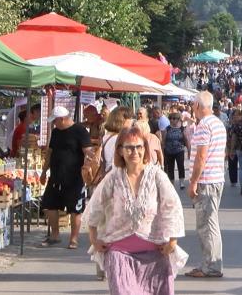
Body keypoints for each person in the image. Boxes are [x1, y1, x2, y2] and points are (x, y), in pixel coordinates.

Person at [86, 126, 186, 294]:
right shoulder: (113, 177)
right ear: (120, 151)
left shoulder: (156, 175)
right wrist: (94, 239)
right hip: (119, 253)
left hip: (155, 254)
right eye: (129, 147)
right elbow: (95, 207)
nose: (135, 152)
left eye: (139, 147)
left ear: (145, 149)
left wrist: (173, 241)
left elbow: (172, 206)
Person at [185, 91, 226, 278]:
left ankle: (211, 266)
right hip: (216, 178)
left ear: (197, 106)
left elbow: (201, 156)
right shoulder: (218, 123)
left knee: (206, 225)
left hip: (206, 180)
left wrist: (193, 182)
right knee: (211, 223)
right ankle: (211, 263)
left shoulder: (204, 126)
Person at [40, 106, 92, 249]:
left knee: (75, 209)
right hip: (56, 176)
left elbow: (88, 150)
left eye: (55, 121)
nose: (54, 124)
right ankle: (55, 235)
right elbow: (50, 153)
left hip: (75, 177)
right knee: (50, 205)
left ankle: (73, 239)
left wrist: (88, 165)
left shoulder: (79, 131)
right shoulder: (56, 132)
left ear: (62, 119)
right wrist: (44, 172)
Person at [163, 112, 190, 189]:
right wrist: (162, 150)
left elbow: (186, 140)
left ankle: (181, 182)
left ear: (178, 120)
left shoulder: (182, 129)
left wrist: (188, 150)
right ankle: (172, 184)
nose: (172, 120)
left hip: (179, 150)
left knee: (180, 166)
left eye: (174, 118)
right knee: (170, 168)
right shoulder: (167, 129)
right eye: (170, 118)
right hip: (169, 151)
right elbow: (163, 141)